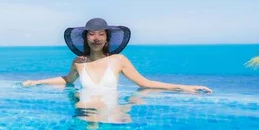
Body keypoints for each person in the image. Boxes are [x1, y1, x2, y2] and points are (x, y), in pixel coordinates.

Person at [22, 17, 212, 94]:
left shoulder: (118, 60)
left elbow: (145, 83)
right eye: (91, 33)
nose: (96, 38)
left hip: (113, 115)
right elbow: (67, 80)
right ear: (85, 38)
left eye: (101, 34)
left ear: (107, 39)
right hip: (83, 116)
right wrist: (36, 82)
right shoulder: (79, 62)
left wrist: (184, 87)